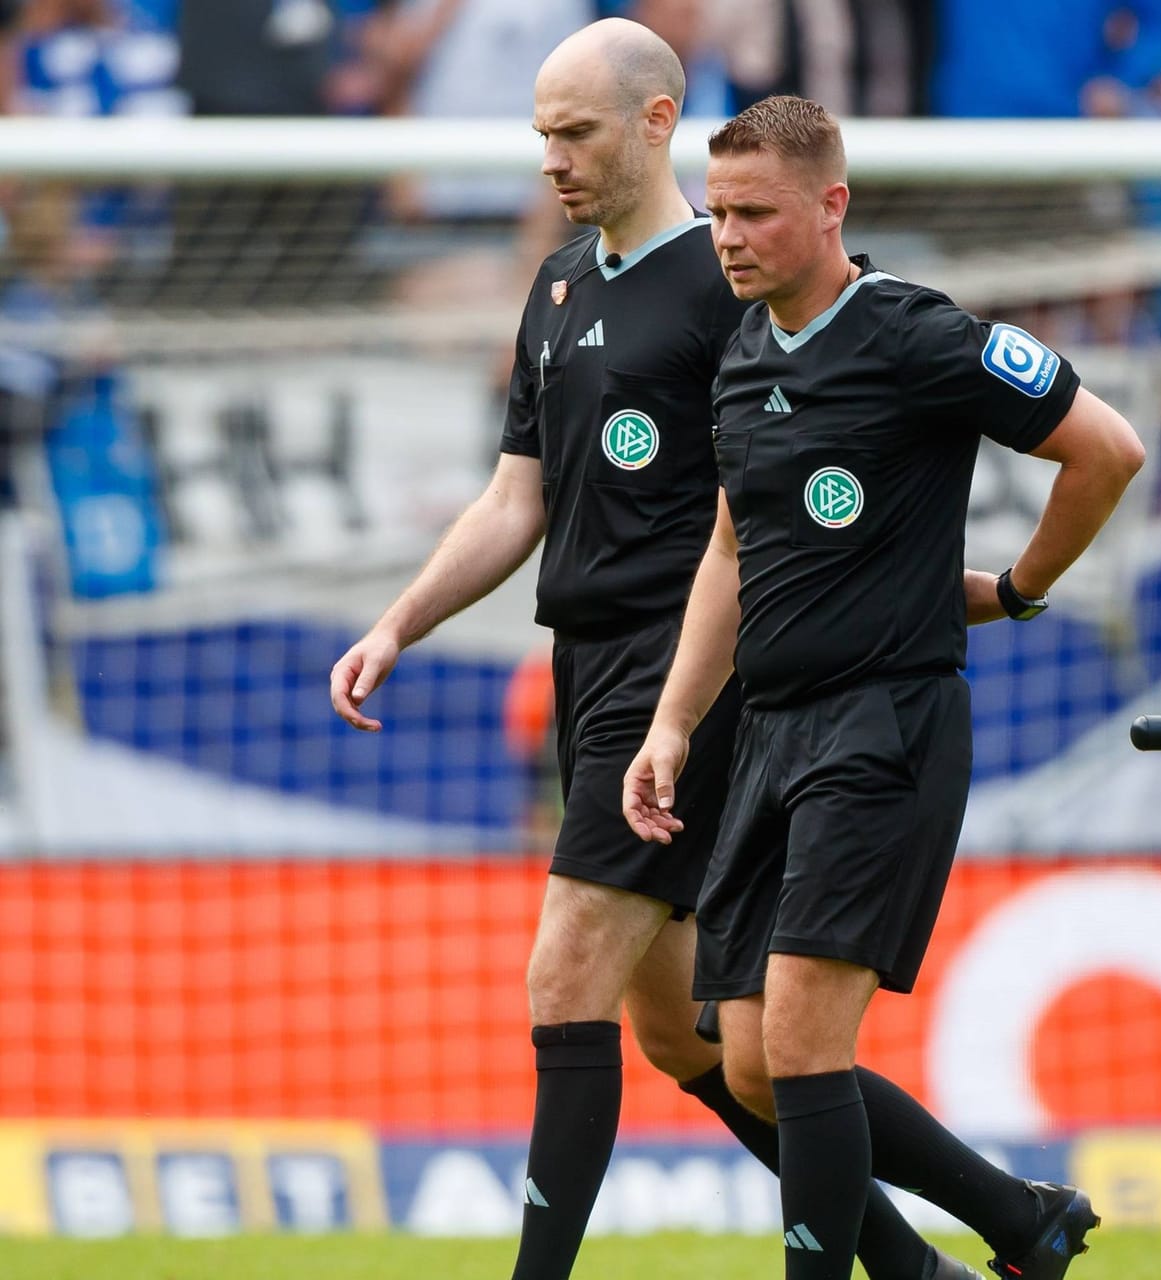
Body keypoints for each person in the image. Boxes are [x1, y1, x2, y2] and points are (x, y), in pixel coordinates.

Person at [328, 24, 966, 1280]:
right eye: (542, 136)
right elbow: (517, 499)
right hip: (584, 667)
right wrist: (399, 620)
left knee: (562, 976)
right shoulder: (561, 283)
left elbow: (787, 497)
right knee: (693, 1039)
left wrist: (947, 586)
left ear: (659, 120)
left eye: (576, 132)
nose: (553, 160)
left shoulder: (724, 288)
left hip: (680, 670)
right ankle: (986, 1227)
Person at [621, 95, 1144, 1280]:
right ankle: (1020, 1220)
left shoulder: (915, 333)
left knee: (802, 1041)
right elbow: (729, 554)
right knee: (749, 1059)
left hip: (886, 721)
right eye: (717, 214)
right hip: (767, 733)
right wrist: (673, 719)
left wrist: (1016, 588)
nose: (729, 237)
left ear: (831, 205)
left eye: (756, 213)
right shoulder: (742, 357)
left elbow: (1105, 447)